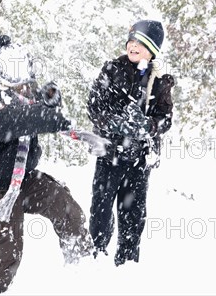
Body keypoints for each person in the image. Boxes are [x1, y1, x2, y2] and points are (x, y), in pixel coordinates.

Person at [0, 35, 94, 295]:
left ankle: (83, 271)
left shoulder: (23, 94)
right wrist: (43, 115)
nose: (26, 87)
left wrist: (49, 104)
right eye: (21, 80)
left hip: (21, 179)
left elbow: (33, 118)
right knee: (8, 251)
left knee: (66, 207)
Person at [87, 20, 175, 266]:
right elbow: (94, 107)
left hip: (139, 159)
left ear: (152, 49)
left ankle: (126, 264)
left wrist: (148, 126)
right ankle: (96, 256)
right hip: (109, 153)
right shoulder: (112, 69)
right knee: (101, 212)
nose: (134, 46)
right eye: (131, 41)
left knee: (133, 216)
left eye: (141, 43)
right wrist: (117, 124)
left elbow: (165, 118)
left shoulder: (160, 80)